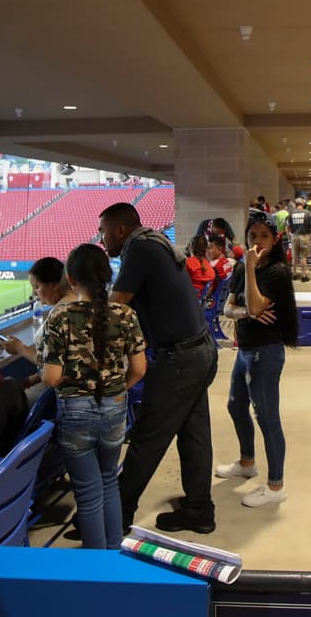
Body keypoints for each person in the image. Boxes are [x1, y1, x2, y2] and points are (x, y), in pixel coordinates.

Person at [100, 202, 218, 534]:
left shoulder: (138, 248)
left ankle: (114, 518)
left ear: (120, 230)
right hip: (199, 351)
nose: (101, 239)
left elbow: (116, 306)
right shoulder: (153, 242)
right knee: (194, 435)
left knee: (147, 437)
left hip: (180, 359)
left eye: (103, 232)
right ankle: (199, 510)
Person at [39, 243, 147, 548]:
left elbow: (51, 378)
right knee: (109, 481)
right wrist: (118, 389)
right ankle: (112, 552)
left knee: (87, 492)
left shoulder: (59, 316)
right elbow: (139, 369)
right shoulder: (125, 314)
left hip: (75, 411)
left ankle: (96, 561)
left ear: (70, 279)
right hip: (115, 407)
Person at [217, 214, 300, 507]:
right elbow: (228, 309)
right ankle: (247, 462)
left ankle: (276, 486)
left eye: (264, 235)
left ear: (275, 240)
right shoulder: (241, 268)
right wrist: (246, 313)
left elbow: (253, 303)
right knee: (235, 405)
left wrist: (251, 271)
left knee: (267, 418)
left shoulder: (277, 272)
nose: (258, 241)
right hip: (245, 349)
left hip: (266, 352)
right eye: (253, 235)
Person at [0, 256, 70, 398]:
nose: (34, 293)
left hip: (60, 393)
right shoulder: (72, 306)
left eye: (37, 287)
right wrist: (33, 379)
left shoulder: (59, 315)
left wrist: (19, 348)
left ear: (54, 285)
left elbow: (53, 372)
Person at [288, 197, 311, 280]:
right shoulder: (307, 213)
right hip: (304, 236)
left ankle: (294, 274)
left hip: (294, 236)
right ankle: (304, 276)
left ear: (296, 204)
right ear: (302, 204)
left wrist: (289, 236)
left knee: (294, 256)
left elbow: (288, 226)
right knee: (303, 256)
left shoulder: (291, 213)